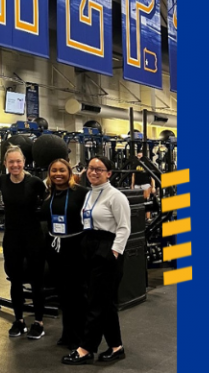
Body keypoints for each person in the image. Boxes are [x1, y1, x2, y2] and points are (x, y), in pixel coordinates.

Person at [62, 156, 131, 365]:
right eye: (91, 168)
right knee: (105, 302)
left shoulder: (116, 196)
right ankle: (116, 346)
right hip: (90, 245)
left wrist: (114, 253)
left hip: (107, 248)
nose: (93, 172)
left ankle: (85, 348)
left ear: (109, 173)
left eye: (99, 169)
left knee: (96, 303)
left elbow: (124, 228)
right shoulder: (90, 193)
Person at [0, 145, 47, 340]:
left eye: (18, 161)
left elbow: (46, 207)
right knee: (15, 280)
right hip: (12, 237)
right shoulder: (2, 181)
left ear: (24, 162)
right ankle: (18, 321)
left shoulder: (35, 183)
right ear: (5, 164)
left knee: (36, 281)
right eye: (11, 162)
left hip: (33, 237)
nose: (15, 165)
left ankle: (39, 322)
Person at [43, 158, 89, 350]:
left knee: (77, 294)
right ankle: (67, 333)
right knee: (63, 294)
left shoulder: (81, 193)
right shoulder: (49, 194)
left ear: (69, 172)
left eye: (62, 170)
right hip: (56, 248)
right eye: (54, 170)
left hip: (75, 247)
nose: (58, 174)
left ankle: (82, 338)